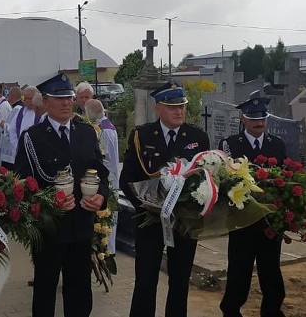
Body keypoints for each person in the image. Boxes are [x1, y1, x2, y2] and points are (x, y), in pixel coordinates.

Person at [14, 73, 109, 317]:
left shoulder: (86, 133)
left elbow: (101, 173)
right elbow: (22, 184)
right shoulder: (32, 137)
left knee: (79, 291)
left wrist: (101, 198)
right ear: (45, 103)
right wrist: (47, 204)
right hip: (50, 230)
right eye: (59, 98)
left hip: (81, 227)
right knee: (45, 290)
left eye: (68, 97)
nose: (66, 103)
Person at [120, 81, 209, 317]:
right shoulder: (142, 136)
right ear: (158, 108)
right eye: (172, 107)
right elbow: (127, 180)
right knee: (146, 281)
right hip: (150, 222)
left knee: (180, 282)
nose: (179, 111)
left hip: (185, 223)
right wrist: (148, 207)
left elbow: (207, 180)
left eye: (182, 106)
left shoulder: (198, 138)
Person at [219, 96, 288, 317]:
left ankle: (272, 311)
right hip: (242, 222)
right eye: (253, 119)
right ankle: (231, 310)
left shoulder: (276, 144)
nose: (259, 123)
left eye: (262, 119)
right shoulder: (230, 145)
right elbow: (225, 180)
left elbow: (286, 178)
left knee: (271, 270)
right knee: (239, 270)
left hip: (269, 222)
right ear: (244, 119)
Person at [85, 98, 119, 255]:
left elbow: (104, 156)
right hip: (110, 175)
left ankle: (108, 249)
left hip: (108, 177)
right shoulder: (106, 126)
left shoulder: (103, 130)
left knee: (109, 215)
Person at [0, 86, 40, 170]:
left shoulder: (42, 113)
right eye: (24, 98)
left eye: (29, 98)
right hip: (21, 151)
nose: (25, 101)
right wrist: (18, 147)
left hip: (38, 153)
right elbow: (12, 131)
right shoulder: (19, 112)